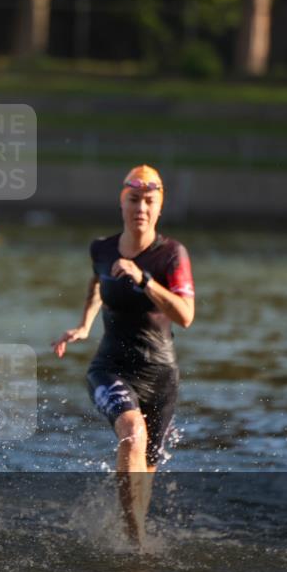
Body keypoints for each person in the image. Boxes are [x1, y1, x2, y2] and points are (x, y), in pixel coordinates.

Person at [53, 164, 195, 549]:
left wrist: (145, 280)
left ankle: (133, 545)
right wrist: (84, 324)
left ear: (159, 206)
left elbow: (185, 316)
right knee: (132, 435)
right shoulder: (102, 247)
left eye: (149, 202)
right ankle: (137, 546)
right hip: (111, 367)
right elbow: (98, 279)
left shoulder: (170, 255)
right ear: (122, 202)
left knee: (144, 471)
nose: (141, 209)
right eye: (134, 200)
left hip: (161, 375)